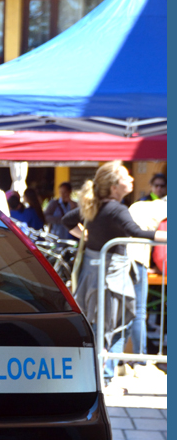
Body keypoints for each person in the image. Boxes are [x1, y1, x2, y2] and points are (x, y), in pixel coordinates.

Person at [62, 161, 167, 384]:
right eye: (126, 176)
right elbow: (136, 232)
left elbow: (67, 221)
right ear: (114, 186)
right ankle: (104, 379)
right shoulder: (115, 208)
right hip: (112, 275)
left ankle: (102, 377)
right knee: (116, 325)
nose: (131, 179)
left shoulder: (96, 205)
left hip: (95, 273)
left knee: (104, 326)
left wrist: (86, 238)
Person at [125, 195, 168, 379]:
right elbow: (162, 251)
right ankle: (140, 361)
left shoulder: (139, 205)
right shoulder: (165, 213)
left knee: (123, 313)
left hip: (120, 257)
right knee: (140, 312)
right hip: (137, 258)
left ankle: (118, 362)